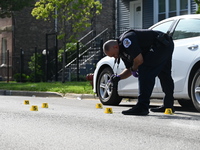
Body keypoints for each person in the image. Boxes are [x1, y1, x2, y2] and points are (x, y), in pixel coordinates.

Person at [103, 29, 174, 115]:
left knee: (145, 70)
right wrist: (119, 77)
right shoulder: (121, 51)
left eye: (114, 54)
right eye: (112, 56)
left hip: (161, 43)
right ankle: (168, 105)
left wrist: (134, 68)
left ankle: (142, 107)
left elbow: (139, 60)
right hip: (165, 45)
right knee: (164, 74)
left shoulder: (126, 41)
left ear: (115, 47)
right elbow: (130, 68)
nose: (115, 57)